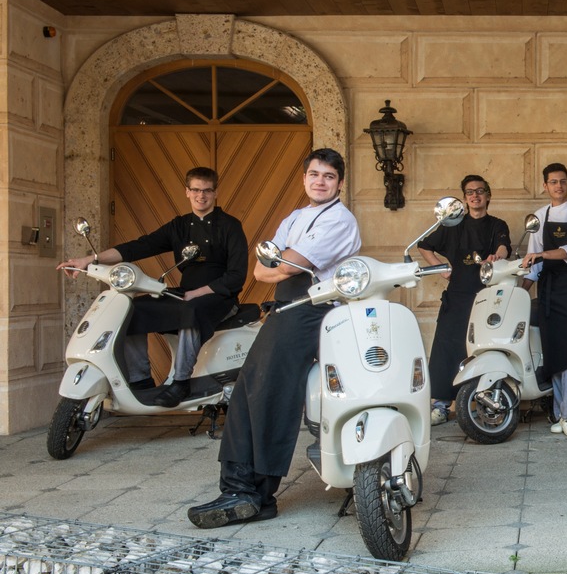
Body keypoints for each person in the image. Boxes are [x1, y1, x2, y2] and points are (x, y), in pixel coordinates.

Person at [187, 148, 361, 528]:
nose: (320, 181)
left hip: (312, 310)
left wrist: (277, 266)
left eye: (328, 176)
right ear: (304, 179)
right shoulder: (296, 217)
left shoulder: (340, 221)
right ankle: (237, 486)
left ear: (340, 183)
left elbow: (282, 266)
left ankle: (256, 494)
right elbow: (262, 271)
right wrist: (277, 267)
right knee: (249, 388)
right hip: (285, 307)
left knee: (271, 393)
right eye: (314, 174)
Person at [57, 167, 248, 408]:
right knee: (132, 310)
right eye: (196, 190)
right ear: (187, 192)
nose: (202, 196)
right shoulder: (179, 226)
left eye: (207, 191)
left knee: (192, 311)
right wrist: (90, 259)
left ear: (216, 192)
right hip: (185, 293)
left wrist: (198, 293)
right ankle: (140, 380)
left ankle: (181, 382)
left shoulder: (230, 225)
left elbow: (236, 276)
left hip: (219, 296)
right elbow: (139, 246)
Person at [418, 175, 511, 424]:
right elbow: (424, 246)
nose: (475, 195)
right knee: (446, 349)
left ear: (488, 195)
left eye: (480, 191)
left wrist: (497, 257)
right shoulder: (452, 224)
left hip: (486, 297)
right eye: (470, 192)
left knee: (482, 351)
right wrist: (441, 268)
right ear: (464, 198)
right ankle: (439, 405)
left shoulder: (497, 224)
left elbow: (504, 247)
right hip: (457, 296)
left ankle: (477, 402)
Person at [520, 162, 567, 438]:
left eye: (563, 181)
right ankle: (562, 413)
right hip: (549, 289)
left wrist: (541, 256)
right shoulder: (539, 216)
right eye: (553, 182)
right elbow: (534, 263)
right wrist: (521, 290)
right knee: (554, 349)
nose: (558, 186)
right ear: (545, 186)